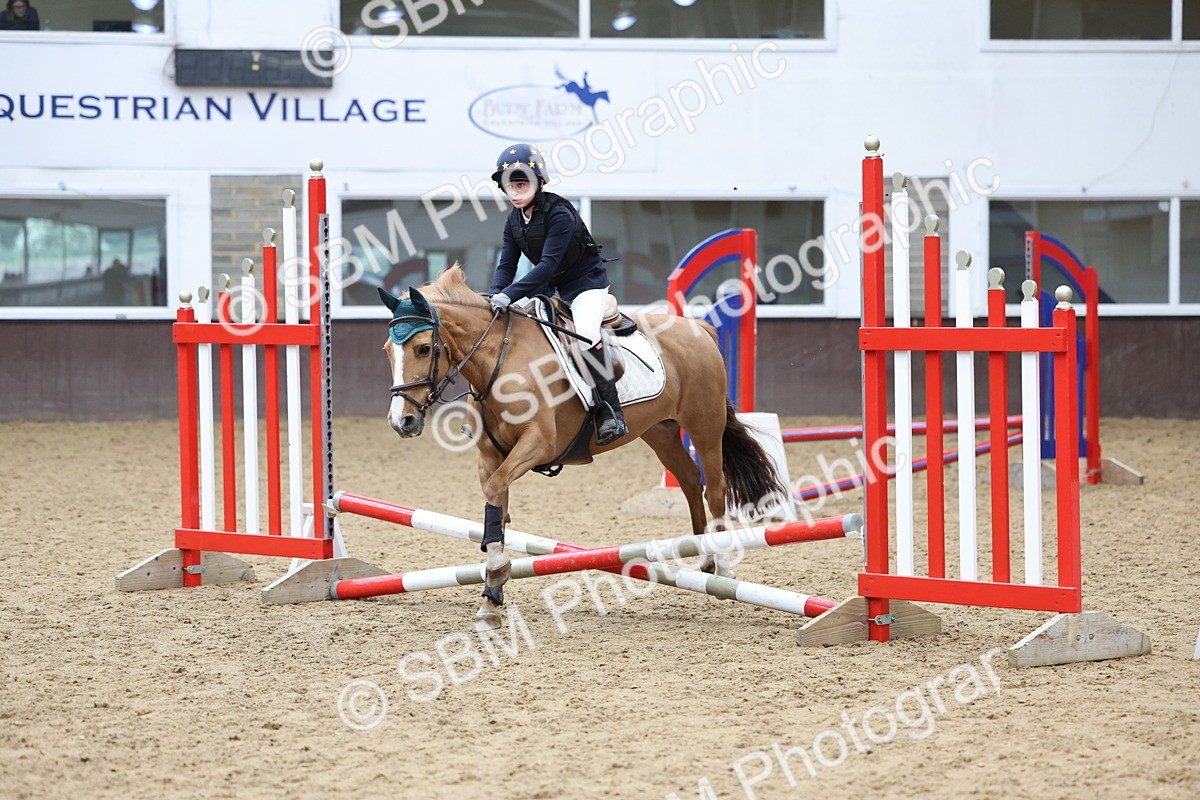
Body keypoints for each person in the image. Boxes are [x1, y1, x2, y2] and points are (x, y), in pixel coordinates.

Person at [486, 142, 627, 445]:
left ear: (539, 182)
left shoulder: (559, 212)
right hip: (552, 288)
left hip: (586, 285)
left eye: (522, 182)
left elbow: (548, 265)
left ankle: (610, 412)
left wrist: (509, 294)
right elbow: (506, 264)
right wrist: (496, 294)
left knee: (586, 334)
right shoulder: (513, 221)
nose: (516, 189)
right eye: (510, 184)